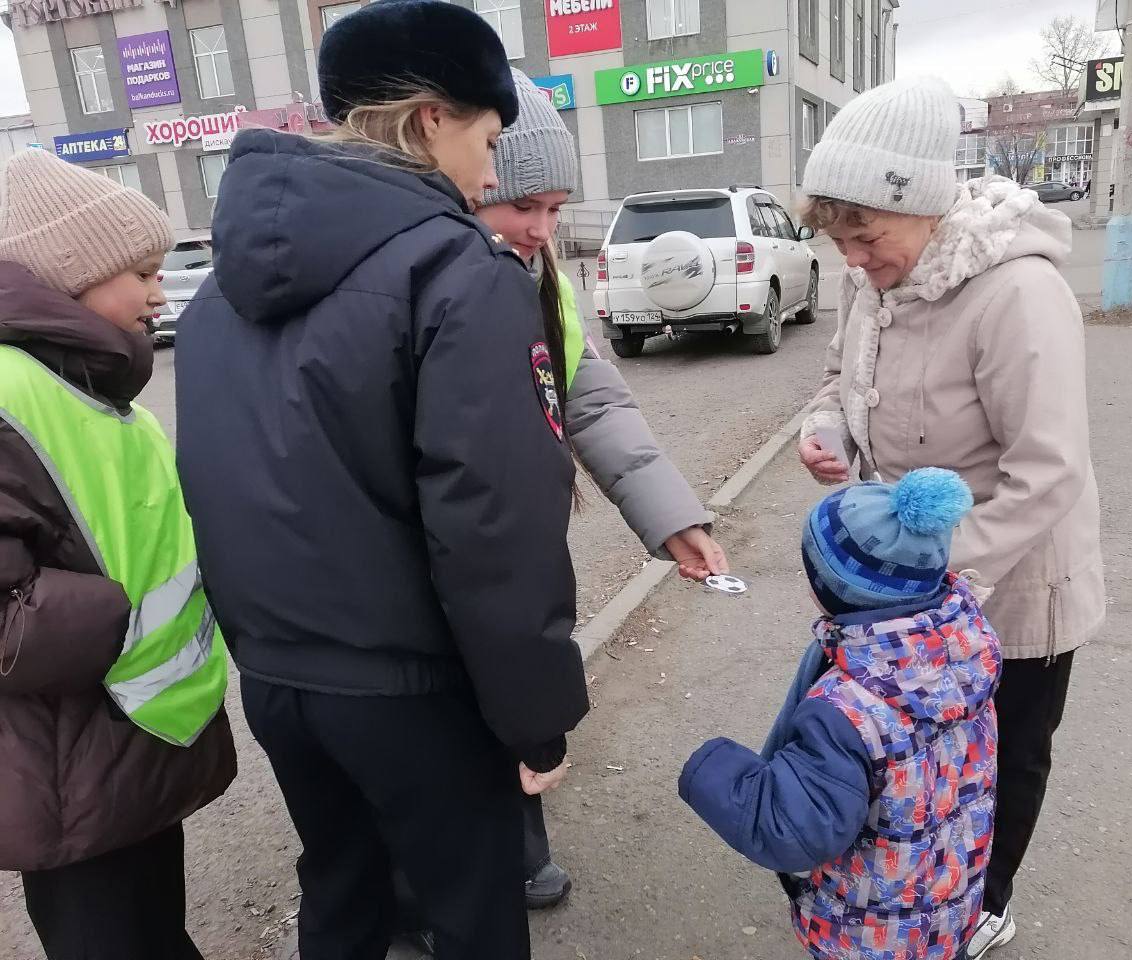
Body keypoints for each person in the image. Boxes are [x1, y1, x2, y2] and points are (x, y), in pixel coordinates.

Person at [173, 2, 589, 958]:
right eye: (490, 139)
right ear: (432, 117)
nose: (493, 172)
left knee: (343, 895)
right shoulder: (458, 273)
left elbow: (219, 485)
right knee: (474, 912)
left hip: (280, 680)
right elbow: (494, 528)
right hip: (414, 691)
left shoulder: (221, 296)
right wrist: (537, 718)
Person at [794, 77, 1104, 959]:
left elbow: (1049, 470)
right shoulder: (875, 280)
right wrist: (825, 432)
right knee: (920, 755)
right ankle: (916, 885)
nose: (852, 258)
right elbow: (834, 380)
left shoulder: (1016, 294)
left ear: (923, 204)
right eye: (839, 240)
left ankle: (980, 906)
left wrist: (941, 573)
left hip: (1009, 583)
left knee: (1003, 756)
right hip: (909, 588)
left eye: (866, 235)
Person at [466, 68, 727, 910]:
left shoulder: (545, 283)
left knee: (512, 693)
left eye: (555, 207)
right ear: (472, 187)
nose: (541, 229)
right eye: (521, 206)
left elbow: (593, 396)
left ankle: (521, 842)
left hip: (520, 540)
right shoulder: (438, 288)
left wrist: (672, 517)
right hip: (460, 544)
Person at [0, 149, 236, 960]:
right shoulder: (10, 395)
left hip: (131, 746)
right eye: (137, 271)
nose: (157, 288)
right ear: (68, 276)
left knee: (157, 935)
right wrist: (115, 613)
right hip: (68, 768)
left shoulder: (99, 394)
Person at [680, 469, 1000, 960]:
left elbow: (795, 828)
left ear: (829, 590)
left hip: (869, 929)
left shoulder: (845, 708)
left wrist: (711, 769)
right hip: (948, 896)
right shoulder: (964, 644)